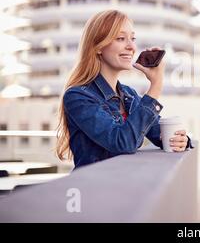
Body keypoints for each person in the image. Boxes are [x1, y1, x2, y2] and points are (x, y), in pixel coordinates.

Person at [56, 10, 192, 169]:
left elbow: (159, 134)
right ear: (98, 47)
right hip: (92, 188)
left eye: (132, 39)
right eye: (121, 39)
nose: (131, 46)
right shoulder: (78, 96)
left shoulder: (129, 95)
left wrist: (181, 140)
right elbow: (123, 142)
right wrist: (155, 86)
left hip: (124, 186)